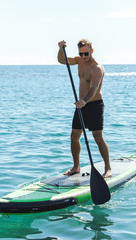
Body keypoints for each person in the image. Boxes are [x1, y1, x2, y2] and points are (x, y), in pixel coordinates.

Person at [57, 39, 112, 178]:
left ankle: (108, 168)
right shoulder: (79, 61)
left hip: (94, 105)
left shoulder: (97, 68)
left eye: (86, 54)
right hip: (81, 105)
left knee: (97, 137)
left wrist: (84, 101)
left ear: (91, 51)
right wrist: (60, 48)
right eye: (81, 54)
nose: (83, 57)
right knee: (74, 136)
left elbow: (94, 87)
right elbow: (62, 60)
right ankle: (76, 167)